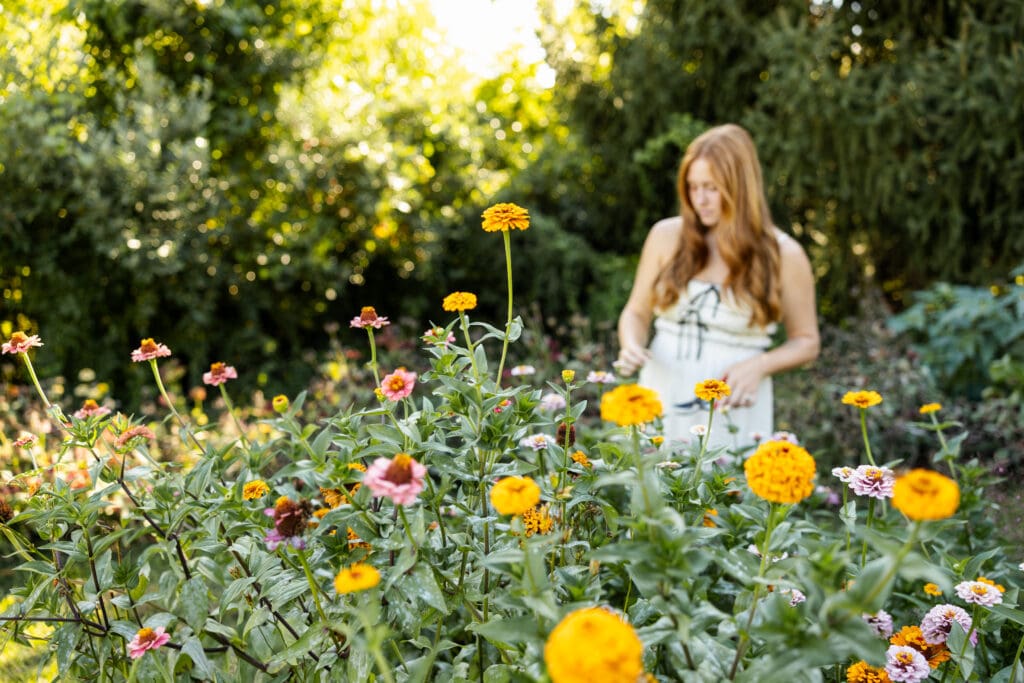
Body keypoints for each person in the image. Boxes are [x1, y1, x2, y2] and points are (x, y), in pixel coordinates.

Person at [614, 123, 820, 452]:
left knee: (722, 495)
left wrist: (760, 365)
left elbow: (807, 342)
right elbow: (636, 311)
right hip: (661, 387)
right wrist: (630, 344)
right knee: (651, 493)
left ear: (740, 186)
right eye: (692, 187)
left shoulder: (784, 254)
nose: (700, 200)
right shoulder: (666, 236)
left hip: (734, 404)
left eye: (711, 187)